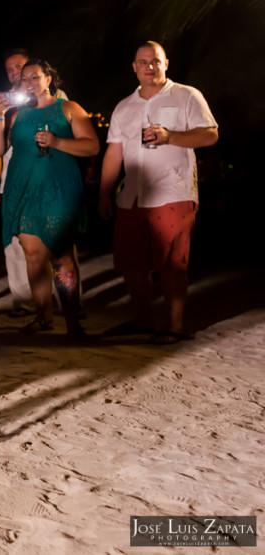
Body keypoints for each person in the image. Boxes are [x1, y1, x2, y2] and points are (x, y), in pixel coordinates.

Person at [98, 41, 218, 344]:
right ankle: (141, 321)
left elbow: (210, 134)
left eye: (156, 61)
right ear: (134, 67)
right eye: (143, 62)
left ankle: (174, 326)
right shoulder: (124, 106)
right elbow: (114, 153)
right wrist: (104, 193)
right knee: (132, 264)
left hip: (172, 191)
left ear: (166, 63)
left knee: (172, 264)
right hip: (132, 197)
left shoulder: (186, 95)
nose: (150, 66)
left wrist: (170, 136)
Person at [0, 60, 99, 339]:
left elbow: (92, 145)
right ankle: (43, 317)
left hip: (59, 190)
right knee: (33, 256)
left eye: (35, 77)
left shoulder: (69, 109)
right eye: (25, 78)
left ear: (49, 79)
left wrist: (58, 142)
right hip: (22, 190)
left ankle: (73, 321)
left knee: (60, 255)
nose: (28, 82)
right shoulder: (15, 114)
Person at [0, 49, 36, 317]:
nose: (15, 73)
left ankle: (66, 300)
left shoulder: (55, 98)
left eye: (20, 66)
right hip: (11, 182)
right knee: (14, 245)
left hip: (45, 179)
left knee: (55, 241)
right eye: (10, 69)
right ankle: (24, 300)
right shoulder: (2, 102)